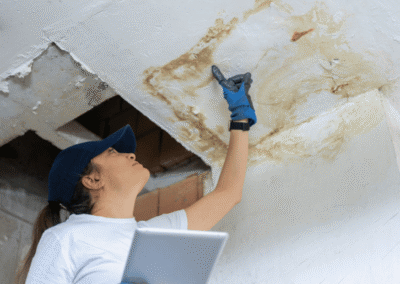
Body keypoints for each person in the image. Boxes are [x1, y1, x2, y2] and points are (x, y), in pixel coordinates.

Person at [14, 65, 257, 284]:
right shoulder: (65, 239)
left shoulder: (151, 237)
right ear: (92, 180)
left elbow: (228, 194)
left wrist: (240, 117)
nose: (130, 155)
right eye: (111, 152)